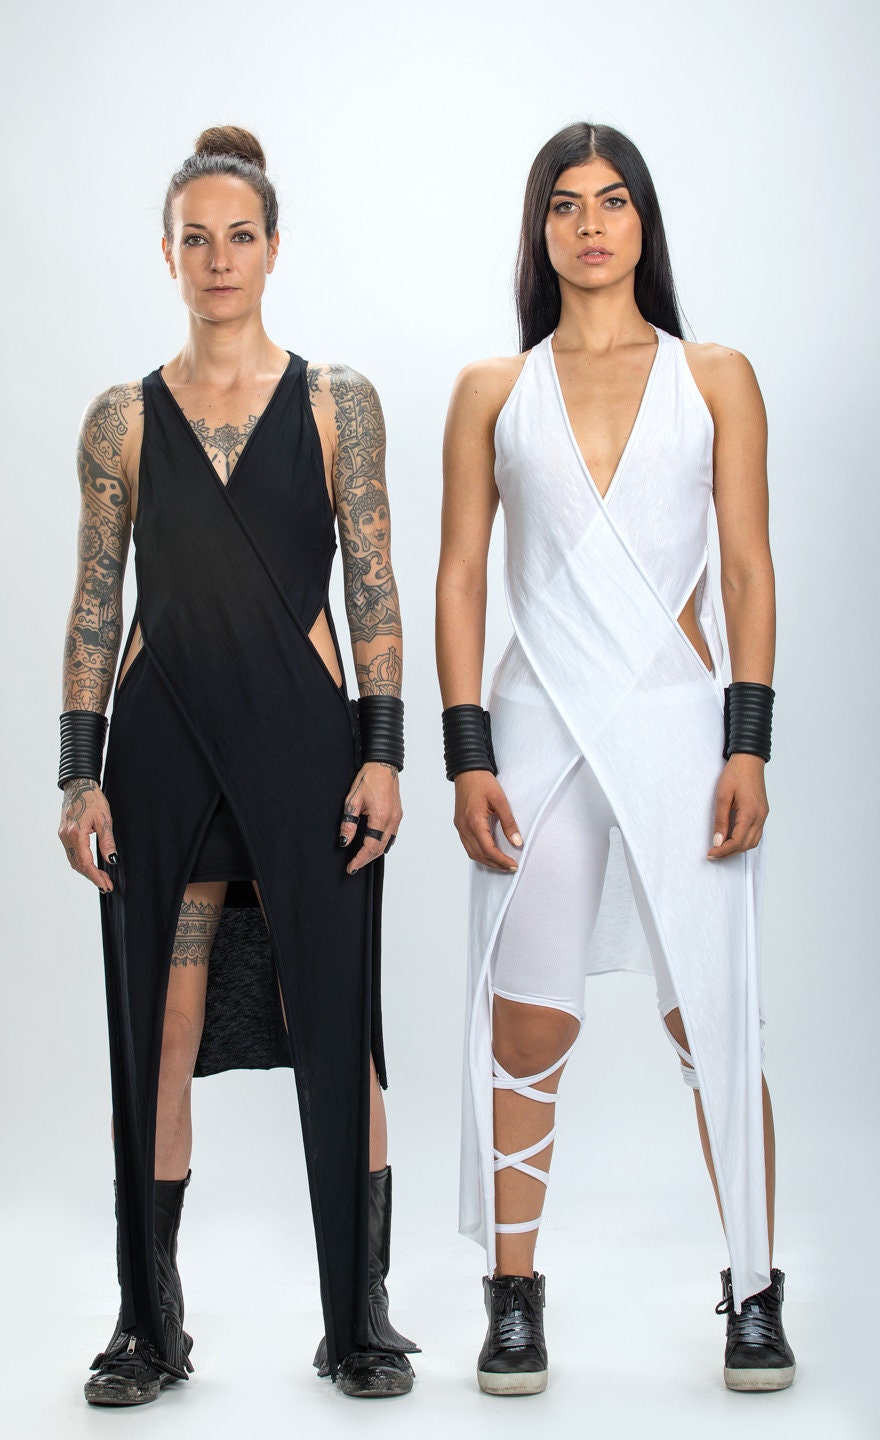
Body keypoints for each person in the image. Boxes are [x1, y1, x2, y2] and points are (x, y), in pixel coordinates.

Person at [58, 125, 417, 1406]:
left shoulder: (336, 403)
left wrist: (383, 752)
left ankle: (360, 1319)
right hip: (160, 749)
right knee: (159, 1029)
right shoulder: (122, 419)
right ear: (168, 254)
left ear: (273, 249)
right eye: (196, 238)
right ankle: (148, 1327)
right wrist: (77, 773)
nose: (219, 258)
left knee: (339, 1027)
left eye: (241, 236)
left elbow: (374, 585)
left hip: (307, 743)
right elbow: (96, 600)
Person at [436, 121, 794, 1397]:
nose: (591, 225)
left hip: (680, 723)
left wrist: (747, 742)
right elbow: (462, 576)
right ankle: (513, 1296)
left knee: (714, 1015)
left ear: (644, 221)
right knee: (526, 1021)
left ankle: (755, 1288)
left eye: (614, 200)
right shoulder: (493, 388)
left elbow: (746, 568)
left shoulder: (717, 376)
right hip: (535, 731)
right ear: (540, 231)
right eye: (566, 205)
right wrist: (465, 753)